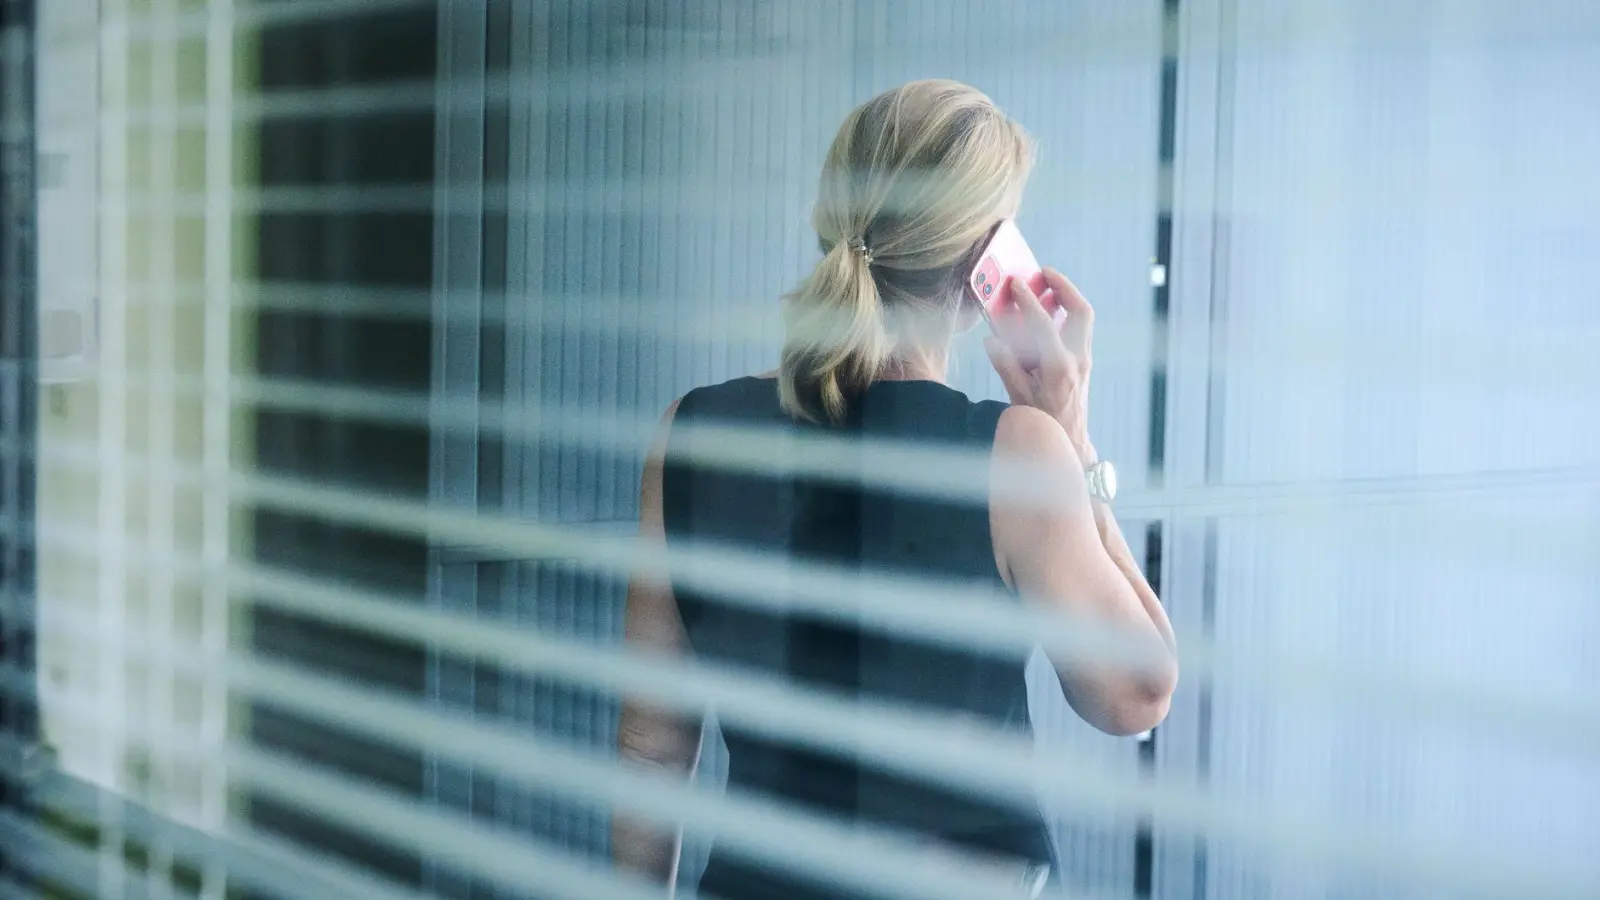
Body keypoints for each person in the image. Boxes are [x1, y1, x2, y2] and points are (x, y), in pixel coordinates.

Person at [613, 79, 1179, 899]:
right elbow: (1137, 693)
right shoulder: (1013, 454)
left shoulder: (689, 433)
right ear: (985, 265)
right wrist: (1073, 435)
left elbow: (650, 751)